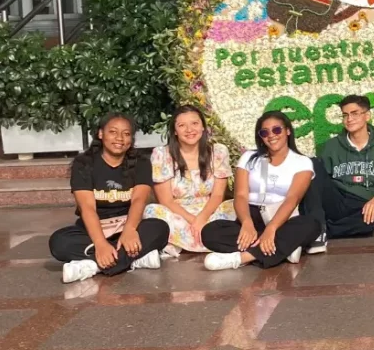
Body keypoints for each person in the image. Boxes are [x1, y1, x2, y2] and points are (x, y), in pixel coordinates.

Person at [49, 112, 170, 283]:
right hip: (93, 229)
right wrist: (100, 243)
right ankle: (133, 259)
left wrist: (129, 230)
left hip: (127, 226)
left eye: (126, 133)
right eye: (113, 132)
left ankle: (92, 266)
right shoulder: (84, 163)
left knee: (160, 228)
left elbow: (139, 200)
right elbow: (87, 208)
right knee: (59, 242)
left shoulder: (141, 162)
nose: (120, 138)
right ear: (100, 134)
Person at [201, 111, 320, 270]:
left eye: (277, 130)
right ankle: (283, 249)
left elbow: (292, 199)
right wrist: (247, 223)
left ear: (288, 131)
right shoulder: (249, 157)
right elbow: (241, 195)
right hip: (251, 217)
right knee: (210, 232)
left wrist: (271, 229)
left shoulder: (302, 162)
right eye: (265, 132)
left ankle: (243, 258)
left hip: (281, 219)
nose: (271, 135)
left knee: (310, 225)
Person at [143, 105, 235, 255]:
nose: (189, 129)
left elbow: (218, 195)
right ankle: (211, 242)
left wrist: (202, 219)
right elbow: (166, 201)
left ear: (203, 127)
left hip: (209, 213)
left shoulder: (218, 151)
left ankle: (177, 244)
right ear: (175, 131)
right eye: (182, 125)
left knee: (236, 207)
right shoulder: (162, 154)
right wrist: (194, 221)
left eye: (194, 123)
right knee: (152, 211)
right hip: (179, 214)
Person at [311, 95, 374, 246]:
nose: (349, 119)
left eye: (355, 113)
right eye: (345, 115)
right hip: (337, 199)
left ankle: (322, 231)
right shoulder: (331, 146)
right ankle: (319, 225)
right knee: (312, 166)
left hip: (363, 203)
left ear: (367, 116)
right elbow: (321, 183)